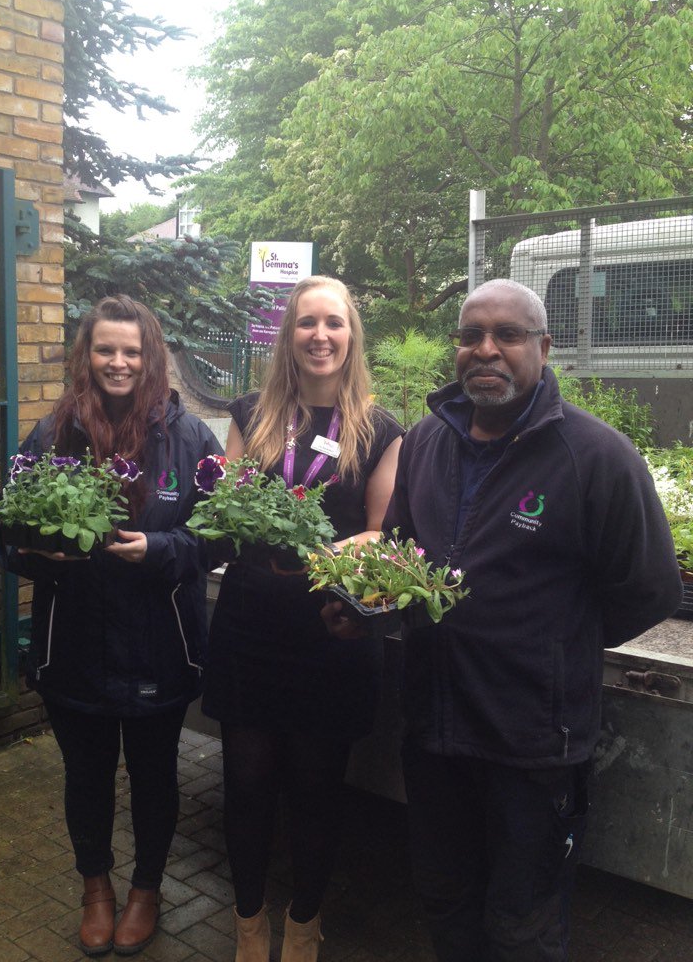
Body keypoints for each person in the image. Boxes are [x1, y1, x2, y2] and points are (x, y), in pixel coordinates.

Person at [383, 278, 683, 962]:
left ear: (543, 348)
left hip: (533, 743)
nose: (486, 349)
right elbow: (403, 551)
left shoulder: (596, 455)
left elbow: (652, 589)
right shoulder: (426, 442)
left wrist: (557, 643)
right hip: (433, 728)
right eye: (471, 335)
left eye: (508, 335)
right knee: (444, 900)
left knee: (523, 926)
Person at [0, 295, 221, 957]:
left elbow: (219, 536)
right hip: (74, 646)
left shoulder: (190, 439)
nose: (118, 362)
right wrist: (36, 552)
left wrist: (163, 549)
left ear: (151, 358)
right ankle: (95, 887)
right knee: (86, 777)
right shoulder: (52, 435)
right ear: (86, 356)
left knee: (154, 778)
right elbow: (6, 534)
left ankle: (146, 889)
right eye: (105, 350)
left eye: (132, 351)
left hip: (160, 647)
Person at [202, 276, 403, 962]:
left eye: (334, 323)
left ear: (352, 336)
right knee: (246, 785)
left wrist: (336, 551)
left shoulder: (380, 429)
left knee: (317, 791)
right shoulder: (252, 413)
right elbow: (225, 505)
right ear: (288, 335)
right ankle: (248, 922)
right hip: (251, 625)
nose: (320, 335)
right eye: (306, 323)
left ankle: (305, 924)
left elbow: (381, 530)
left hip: (330, 630)